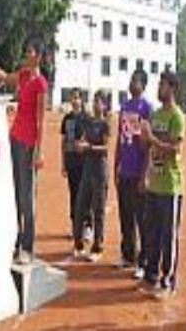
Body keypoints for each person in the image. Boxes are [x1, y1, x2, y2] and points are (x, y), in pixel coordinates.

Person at [0, 40, 47, 264]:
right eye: (26, 51)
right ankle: (16, 242)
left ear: (38, 57)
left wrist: (39, 151)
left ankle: (27, 247)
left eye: (30, 52)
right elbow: (3, 77)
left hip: (28, 144)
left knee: (27, 197)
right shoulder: (23, 76)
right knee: (15, 193)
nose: (26, 55)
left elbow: (41, 120)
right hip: (15, 139)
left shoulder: (40, 83)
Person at [139, 70, 185, 300]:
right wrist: (143, 137)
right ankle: (151, 275)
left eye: (163, 85)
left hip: (170, 186)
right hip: (154, 184)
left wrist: (153, 139)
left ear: (173, 88)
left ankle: (168, 280)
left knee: (169, 235)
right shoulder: (155, 115)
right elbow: (146, 149)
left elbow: (175, 149)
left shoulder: (177, 116)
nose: (159, 88)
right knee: (152, 232)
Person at [114, 70, 152, 279]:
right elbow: (121, 137)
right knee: (125, 215)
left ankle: (143, 260)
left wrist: (144, 174)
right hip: (125, 169)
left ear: (143, 85)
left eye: (135, 81)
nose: (131, 84)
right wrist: (117, 164)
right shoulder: (125, 106)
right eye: (130, 80)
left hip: (138, 170)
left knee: (141, 218)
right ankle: (127, 254)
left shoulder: (146, 108)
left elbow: (147, 146)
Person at [73, 90, 110, 263]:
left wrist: (89, 148)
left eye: (99, 102)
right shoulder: (88, 122)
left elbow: (106, 148)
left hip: (100, 170)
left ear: (105, 105)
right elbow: (83, 138)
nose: (95, 105)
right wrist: (80, 144)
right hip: (87, 168)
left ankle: (97, 246)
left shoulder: (105, 124)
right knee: (80, 206)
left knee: (99, 210)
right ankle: (78, 243)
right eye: (94, 101)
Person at [60, 88, 92, 239]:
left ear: (81, 100)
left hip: (85, 164)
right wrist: (63, 163)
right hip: (71, 162)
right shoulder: (67, 119)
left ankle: (88, 225)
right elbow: (64, 142)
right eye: (72, 98)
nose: (74, 101)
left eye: (77, 98)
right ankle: (75, 226)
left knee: (85, 195)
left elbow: (91, 139)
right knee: (73, 195)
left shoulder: (87, 118)